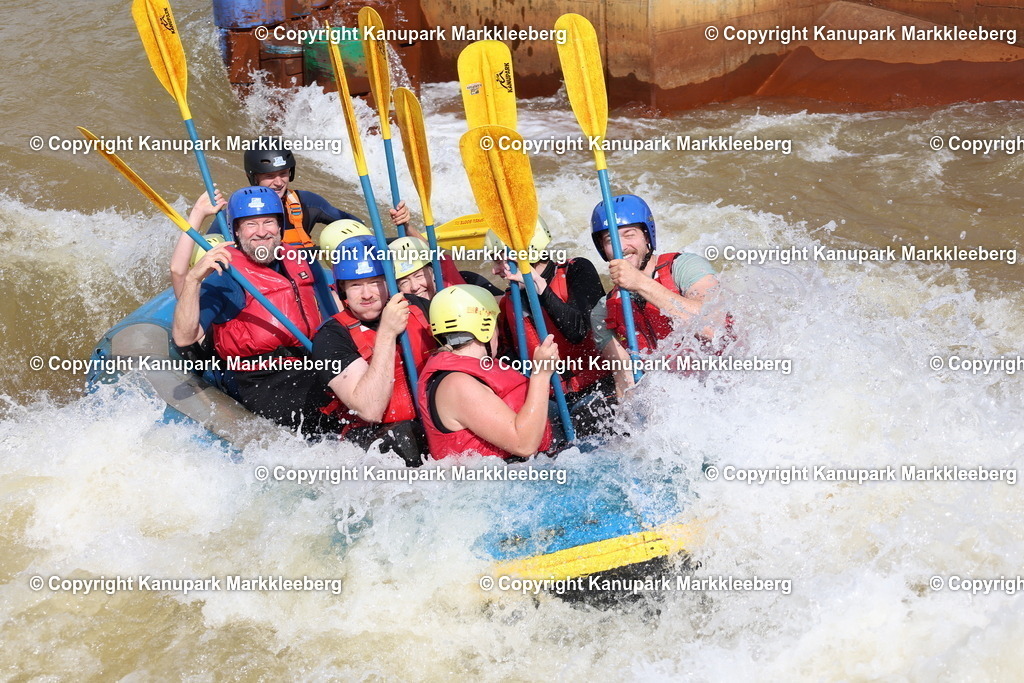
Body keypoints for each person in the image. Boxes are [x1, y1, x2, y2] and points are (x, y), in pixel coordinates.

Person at [171, 186, 337, 435]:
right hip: (260, 380)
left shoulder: (300, 260)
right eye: (251, 224)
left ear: (280, 226)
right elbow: (184, 337)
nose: (262, 232)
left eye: (269, 222)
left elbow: (331, 315)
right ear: (236, 231)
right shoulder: (226, 276)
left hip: (308, 366)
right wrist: (194, 279)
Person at [589, 194, 733, 395]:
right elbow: (625, 382)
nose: (621, 247)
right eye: (610, 240)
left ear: (647, 237)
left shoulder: (685, 267)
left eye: (629, 235)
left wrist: (639, 283)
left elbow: (712, 328)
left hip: (730, 384)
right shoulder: (602, 312)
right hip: (678, 402)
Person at [312, 235, 436, 466]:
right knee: (403, 437)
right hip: (375, 439)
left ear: (389, 282)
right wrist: (387, 334)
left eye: (374, 281)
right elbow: (370, 409)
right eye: (356, 285)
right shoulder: (331, 337)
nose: (367, 294)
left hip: (430, 423)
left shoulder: (417, 306)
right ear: (343, 290)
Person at [488, 219, 614, 437]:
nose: (495, 269)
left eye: (499, 260)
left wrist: (541, 288)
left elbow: (579, 331)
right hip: (552, 401)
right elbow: (510, 360)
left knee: (585, 417)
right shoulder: (509, 302)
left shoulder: (577, 270)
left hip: (598, 386)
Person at [417, 285, 557, 460]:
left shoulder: (475, 368)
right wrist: (541, 374)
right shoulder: (457, 384)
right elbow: (524, 445)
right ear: (486, 327)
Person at [243, 141, 410, 248]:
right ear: (253, 177)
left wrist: (400, 221)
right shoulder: (239, 210)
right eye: (270, 176)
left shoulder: (306, 202)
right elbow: (218, 244)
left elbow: (356, 227)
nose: (279, 182)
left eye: (283, 174)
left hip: (302, 277)